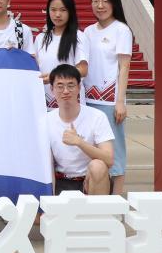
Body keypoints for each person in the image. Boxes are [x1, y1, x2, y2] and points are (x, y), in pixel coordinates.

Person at [81, 0, 133, 196]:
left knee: (115, 152)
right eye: (95, 1)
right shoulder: (87, 31)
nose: (100, 5)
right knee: (92, 152)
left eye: (105, 1)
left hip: (110, 102)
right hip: (88, 100)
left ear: (114, 3)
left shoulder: (121, 30)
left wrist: (120, 101)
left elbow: (124, 66)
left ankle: (117, 200)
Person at [46, 64, 114, 195]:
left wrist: (79, 142)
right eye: (60, 86)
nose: (66, 91)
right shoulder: (45, 120)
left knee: (98, 166)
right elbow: (46, 165)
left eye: (71, 85)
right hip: (61, 180)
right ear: (52, 89)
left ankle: (96, 208)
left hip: (89, 181)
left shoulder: (97, 116)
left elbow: (109, 159)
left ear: (79, 87)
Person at [34, 0, 88, 108]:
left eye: (63, 10)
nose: (57, 14)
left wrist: (54, 77)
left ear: (70, 12)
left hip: (70, 103)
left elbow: (83, 69)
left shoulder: (78, 37)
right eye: (53, 10)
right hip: (45, 103)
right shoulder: (40, 38)